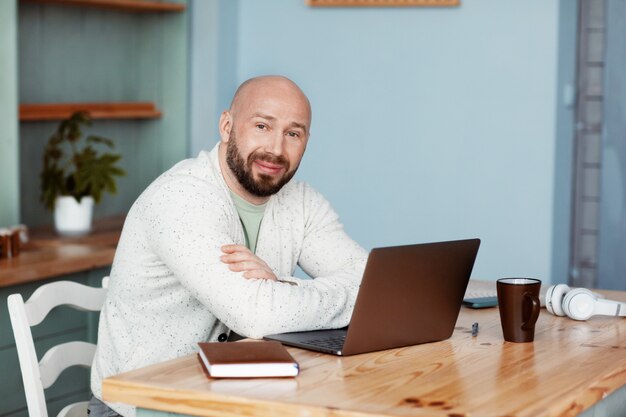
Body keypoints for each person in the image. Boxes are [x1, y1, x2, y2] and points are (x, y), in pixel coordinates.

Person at [88, 75, 367, 417]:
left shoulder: (301, 201)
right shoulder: (180, 198)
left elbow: (372, 285)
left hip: (237, 398)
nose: (276, 149)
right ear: (226, 126)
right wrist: (276, 297)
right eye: (262, 126)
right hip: (143, 405)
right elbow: (256, 315)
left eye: (293, 133)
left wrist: (280, 285)